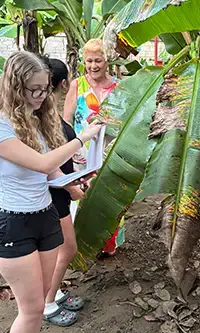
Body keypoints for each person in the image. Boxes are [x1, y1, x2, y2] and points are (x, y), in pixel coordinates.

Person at [0, 51, 103, 333]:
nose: (41, 96)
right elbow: (44, 162)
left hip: (45, 218)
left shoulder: (37, 121)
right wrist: (82, 139)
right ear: (14, 87)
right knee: (31, 308)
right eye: (34, 90)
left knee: (42, 296)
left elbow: (50, 172)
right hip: (14, 225)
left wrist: (75, 181)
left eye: (44, 89)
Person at [38, 56, 87, 326]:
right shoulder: (45, 118)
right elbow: (49, 163)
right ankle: (46, 304)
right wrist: (71, 187)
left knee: (60, 249)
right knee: (67, 249)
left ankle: (53, 292)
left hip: (61, 190)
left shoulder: (49, 114)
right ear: (64, 83)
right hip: (56, 193)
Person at [63, 38, 120, 257]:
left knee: (110, 196)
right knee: (82, 197)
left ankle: (107, 245)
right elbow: (66, 121)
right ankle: (81, 246)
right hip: (81, 152)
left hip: (109, 148)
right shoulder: (77, 85)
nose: (93, 66)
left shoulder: (118, 86)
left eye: (98, 60)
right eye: (89, 61)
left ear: (107, 61)